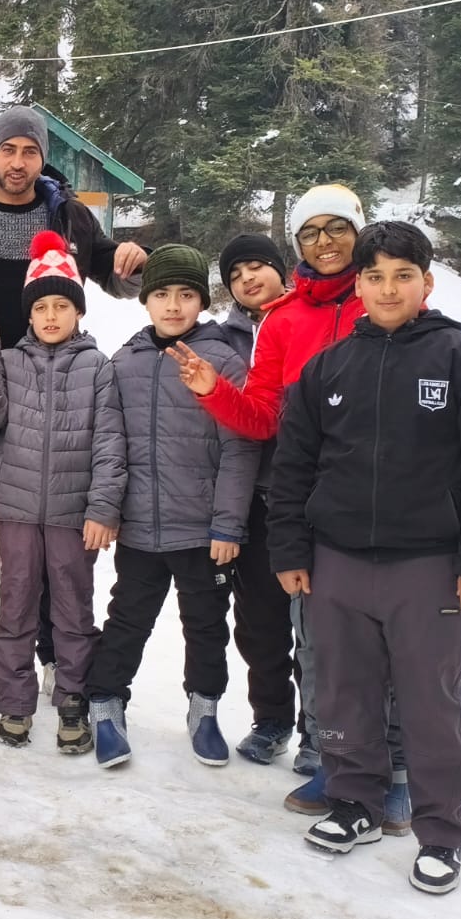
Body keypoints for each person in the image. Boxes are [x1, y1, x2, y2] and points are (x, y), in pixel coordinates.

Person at [270, 222, 461, 895]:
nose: (388, 289)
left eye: (402, 276)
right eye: (376, 277)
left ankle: (441, 830)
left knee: (429, 699)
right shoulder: (328, 369)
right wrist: (291, 547)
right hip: (337, 561)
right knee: (343, 688)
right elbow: (292, 469)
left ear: (426, 283)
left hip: (430, 566)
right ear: (357, 285)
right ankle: (353, 801)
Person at [166, 185, 409, 829]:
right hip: (306, 501)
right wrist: (215, 391)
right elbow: (264, 415)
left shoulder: (384, 300)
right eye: (310, 232)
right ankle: (336, 758)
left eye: (337, 228)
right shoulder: (285, 319)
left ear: (359, 231)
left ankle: (398, 770)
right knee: (322, 639)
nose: (324, 242)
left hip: (388, 501)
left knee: (391, 642)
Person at [0, 105, 146, 682]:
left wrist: (131, 264)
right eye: (8, 150)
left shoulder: (68, 215)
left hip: (52, 386)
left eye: (30, 152)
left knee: (46, 531)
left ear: (43, 159)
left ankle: (50, 654)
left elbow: (110, 274)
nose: (18, 162)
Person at [83, 244, 259, 768]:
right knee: (126, 619)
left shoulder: (223, 360)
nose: (174, 305)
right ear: (146, 300)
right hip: (140, 528)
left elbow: (239, 448)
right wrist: (108, 509)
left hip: (202, 531)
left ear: (202, 300)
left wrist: (228, 525)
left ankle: (204, 711)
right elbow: (109, 443)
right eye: (162, 294)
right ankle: (105, 705)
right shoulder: (124, 362)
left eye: (186, 294)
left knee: (206, 625)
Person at [0, 232, 126, 751]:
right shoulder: (10, 362)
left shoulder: (98, 368)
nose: (51, 316)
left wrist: (103, 508)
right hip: (16, 510)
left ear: (78, 312)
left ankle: (73, 699)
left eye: (62, 306)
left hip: (72, 515)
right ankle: (14, 703)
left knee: (74, 611)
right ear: (29, 315)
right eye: (41, 307)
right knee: (14, 608)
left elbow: (110, 443)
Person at [214, 234, 298, 765]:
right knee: (259, 623)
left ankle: (323, 730)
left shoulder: (310, 322)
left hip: (313, 496)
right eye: (235, 273)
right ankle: (271, 719)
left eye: (256, 266)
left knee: (317, 625)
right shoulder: (222, 341)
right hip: (254, 498)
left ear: (280, 270)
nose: (247, 278)